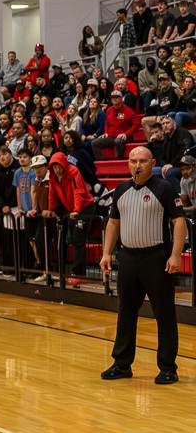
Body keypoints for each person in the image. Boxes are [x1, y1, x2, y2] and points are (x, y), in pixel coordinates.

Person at [99, 147, 185, 385]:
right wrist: (107, 253)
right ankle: (122, 364)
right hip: (127, 259)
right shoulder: (121, 190)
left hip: (156, 259)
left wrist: (175, 254)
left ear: (152, 162)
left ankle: (168, 367)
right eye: (133, 161)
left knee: (164, 314)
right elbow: (113, 223)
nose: (137, 165)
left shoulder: (164, 188)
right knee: (125, 312)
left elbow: (179, 222)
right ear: (128, 163)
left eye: (143, 161)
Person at [42, 152, 97, 280]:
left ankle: (79, 275)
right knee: (73, 240)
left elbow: (78, 192)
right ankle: (70, 272)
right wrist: (51, 209)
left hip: (85, 208)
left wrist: (77, 210)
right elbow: (52, 194)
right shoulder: (53, 177)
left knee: (78, 241)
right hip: (72, 210)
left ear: (64, 164)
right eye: (54, 167)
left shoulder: (73, 171)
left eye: (59, 166)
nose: (57, 170)